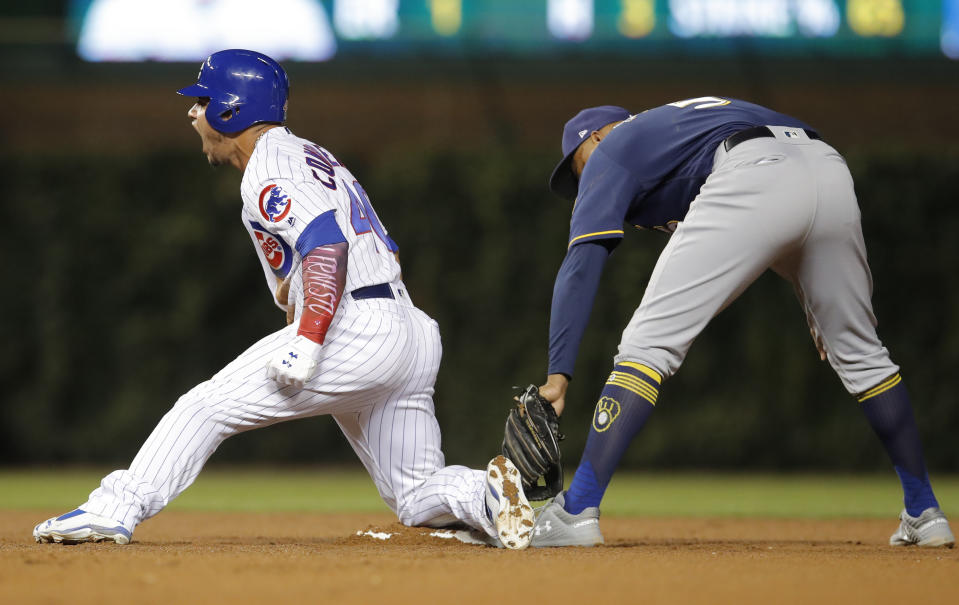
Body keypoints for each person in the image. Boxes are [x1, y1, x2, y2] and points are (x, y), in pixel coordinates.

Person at [33, 49, 533, 550]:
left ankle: (111, 510)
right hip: (408, 328)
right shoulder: (306, 154)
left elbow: (326, 244)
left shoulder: (268, 169)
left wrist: (310, 339)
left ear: (231, 110)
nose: (192, 111)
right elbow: (378, 247)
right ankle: (485, 495)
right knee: (417, 494)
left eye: (202, 100)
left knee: (205, 407)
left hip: (355, 326)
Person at [528, 98, 954, 548]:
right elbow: (780, 210)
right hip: (827, 165)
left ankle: (575, 512)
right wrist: (813, 296)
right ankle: (924, 512)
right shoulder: (676, 132)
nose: (583, 181)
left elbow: (581, 264)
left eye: (578, 166)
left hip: (752, 166)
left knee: (646, 347)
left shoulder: (613, 149)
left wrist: (558, 376)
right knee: (862, 353)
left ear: (598, 136)